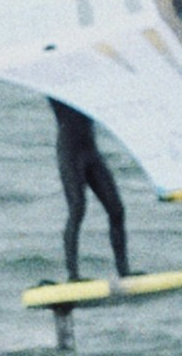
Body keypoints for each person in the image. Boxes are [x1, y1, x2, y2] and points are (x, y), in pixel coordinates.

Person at [51, 100, 130, 287]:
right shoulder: (56, 85)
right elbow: (25, 73)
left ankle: (124, 272)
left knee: (116, 210)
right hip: (69, 153)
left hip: (91, 151)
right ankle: (73, 275)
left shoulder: (84, 81)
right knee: (77, 208)